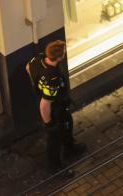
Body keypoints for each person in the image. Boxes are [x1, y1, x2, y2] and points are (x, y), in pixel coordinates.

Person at [26, 40, 86, 175]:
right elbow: (44, 105)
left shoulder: (38, 58)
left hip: (58, 106)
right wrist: (49, 124)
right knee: (54, 138)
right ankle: (55, 167)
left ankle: (69, 148)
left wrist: (36, 85)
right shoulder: (52, 78)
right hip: (54, 109)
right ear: (60, 57)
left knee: (67, 124)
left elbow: (28, 68)